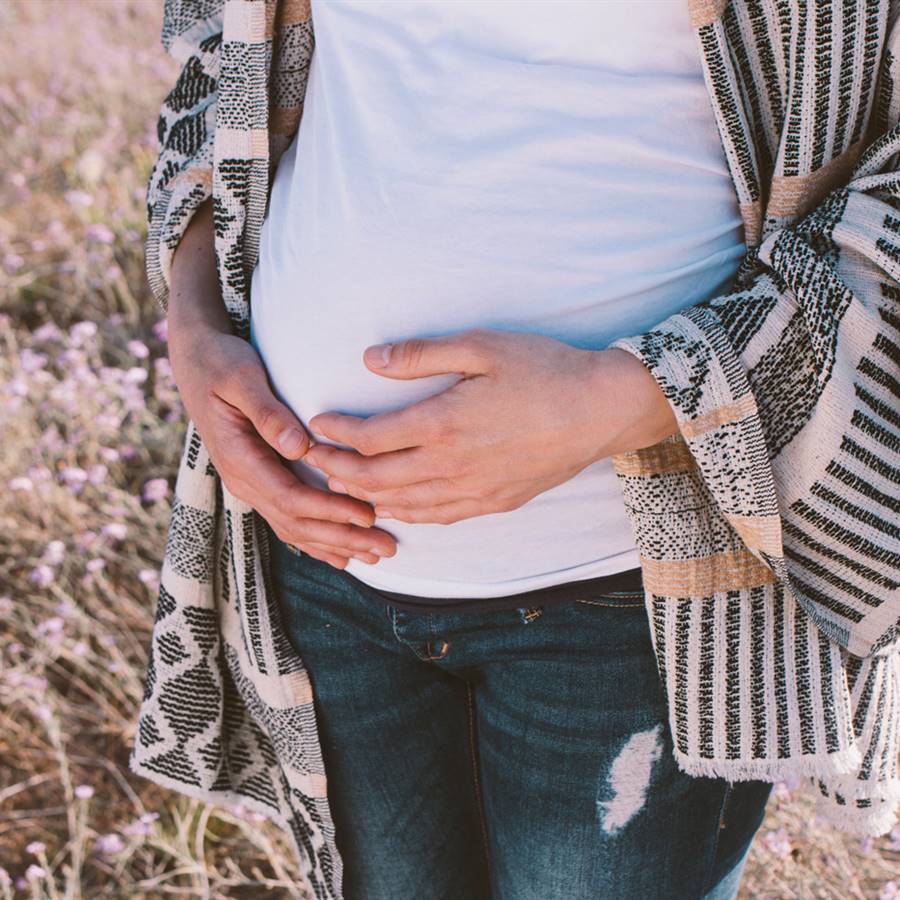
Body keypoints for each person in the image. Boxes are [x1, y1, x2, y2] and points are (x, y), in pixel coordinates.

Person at [130, 2, 900, 899]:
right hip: (322, 569)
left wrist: (631, 394)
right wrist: (192, 317)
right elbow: (217, 58)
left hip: (639, 601)